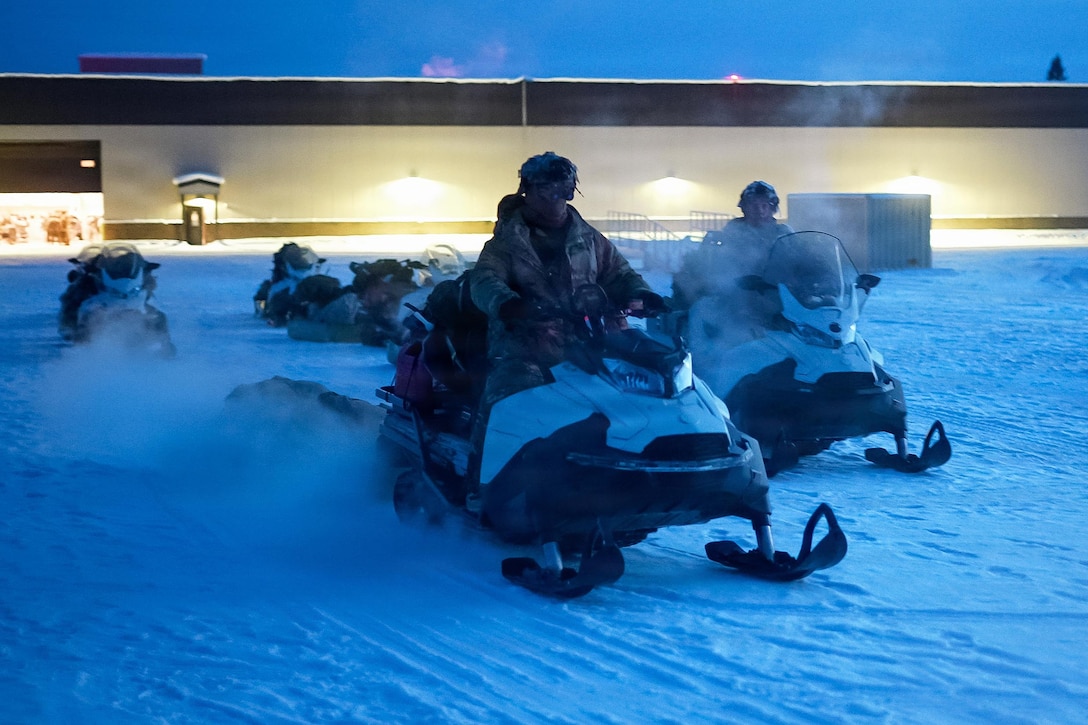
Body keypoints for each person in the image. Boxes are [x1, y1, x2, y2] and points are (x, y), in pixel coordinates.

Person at [466, 151, 664, 489]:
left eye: (564, 189)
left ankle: (640, 467)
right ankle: (482, 481)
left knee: (643, 386)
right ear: (528, 190)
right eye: (548, 190)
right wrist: (510, 305)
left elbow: (619, 273)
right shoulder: (507, 242)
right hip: (527, 342)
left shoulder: (588, 238)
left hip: (592, 339)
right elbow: (485, 279)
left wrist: (641, 295)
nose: (557, 199)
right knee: (510, 396)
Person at [672, 180, 794, 309]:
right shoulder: (732, 233)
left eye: (765, 205)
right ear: (744, 208)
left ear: (773, 208)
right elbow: (718, 266)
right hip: (735, 298)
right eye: (753, 205)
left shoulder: (784, 234)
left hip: (777, 295)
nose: (760, 210)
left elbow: (797, 262)